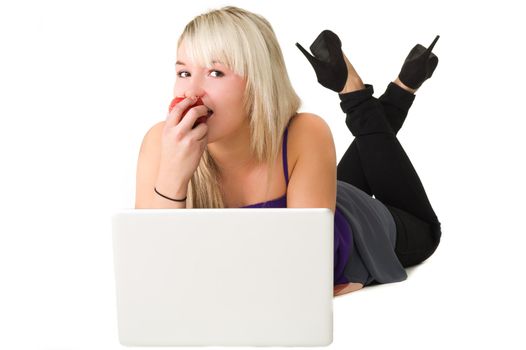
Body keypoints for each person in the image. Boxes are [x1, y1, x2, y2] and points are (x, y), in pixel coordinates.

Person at [135, 6, 442, 298]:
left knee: (427, 232)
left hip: (356, 229)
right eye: (184, 73)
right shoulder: (157, 142)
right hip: (318, 193)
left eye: (216, 73)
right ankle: (366, 91)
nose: (192, 91)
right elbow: (149, 274)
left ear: (258, 82)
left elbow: (304, 272)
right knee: (342, 180)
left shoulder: (305, 132)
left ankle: (367, 93)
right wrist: (174, 175)